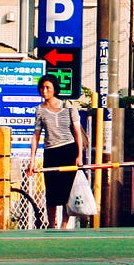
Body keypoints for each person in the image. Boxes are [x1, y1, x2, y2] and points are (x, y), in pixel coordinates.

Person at [27, 76, 86, 229]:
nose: (44, 90)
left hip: (68, 150)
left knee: (67, 190)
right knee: (51, 191)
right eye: (42, 87)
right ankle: (51, 224)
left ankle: (64, 225)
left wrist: (79, 155)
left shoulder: (68, 106)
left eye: (48, 87)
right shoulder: (39, 110)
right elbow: (36, 135)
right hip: (50, 152)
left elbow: (77, 132)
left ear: (54, 89)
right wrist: (32, 160)